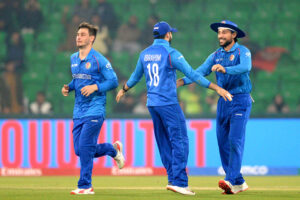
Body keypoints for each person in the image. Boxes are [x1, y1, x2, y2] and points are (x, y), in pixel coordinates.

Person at [116, 21, 232, 196]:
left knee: (163, 142)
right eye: (171, 33)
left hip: (152, 105)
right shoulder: (171, 53)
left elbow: (135, 77)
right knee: (180, 141)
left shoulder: (144, 54)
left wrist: (124, 89)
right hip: (168, 104)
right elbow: (192, 74)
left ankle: (172, 179)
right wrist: (217, 88)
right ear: (168, 35)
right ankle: (179, 182)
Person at [177, 20, 252, 195]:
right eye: (219, 33)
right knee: (223, 142)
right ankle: (238, 181)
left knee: (235, 140)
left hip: (240, 99)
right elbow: (199, 72)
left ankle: (231, 180)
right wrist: (181, 81)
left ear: (234, 35)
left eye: (225, 32)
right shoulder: (215, 55)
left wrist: (226, 69)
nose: (220, 36)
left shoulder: (243, 51)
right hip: (223, 102)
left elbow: (245, 67)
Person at [61, 22, 125, 195]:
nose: (78, 37)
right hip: (79, 110)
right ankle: (113, 150)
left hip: (95, 109)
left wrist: (95, 87)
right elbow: (78, 80)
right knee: (80, 150)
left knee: (85, 147)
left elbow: (113, 81)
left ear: (91, 38)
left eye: (82, 34)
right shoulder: (73, 58)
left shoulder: (99, 60)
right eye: (77, 34)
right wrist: (69, 87)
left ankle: (85, 185)